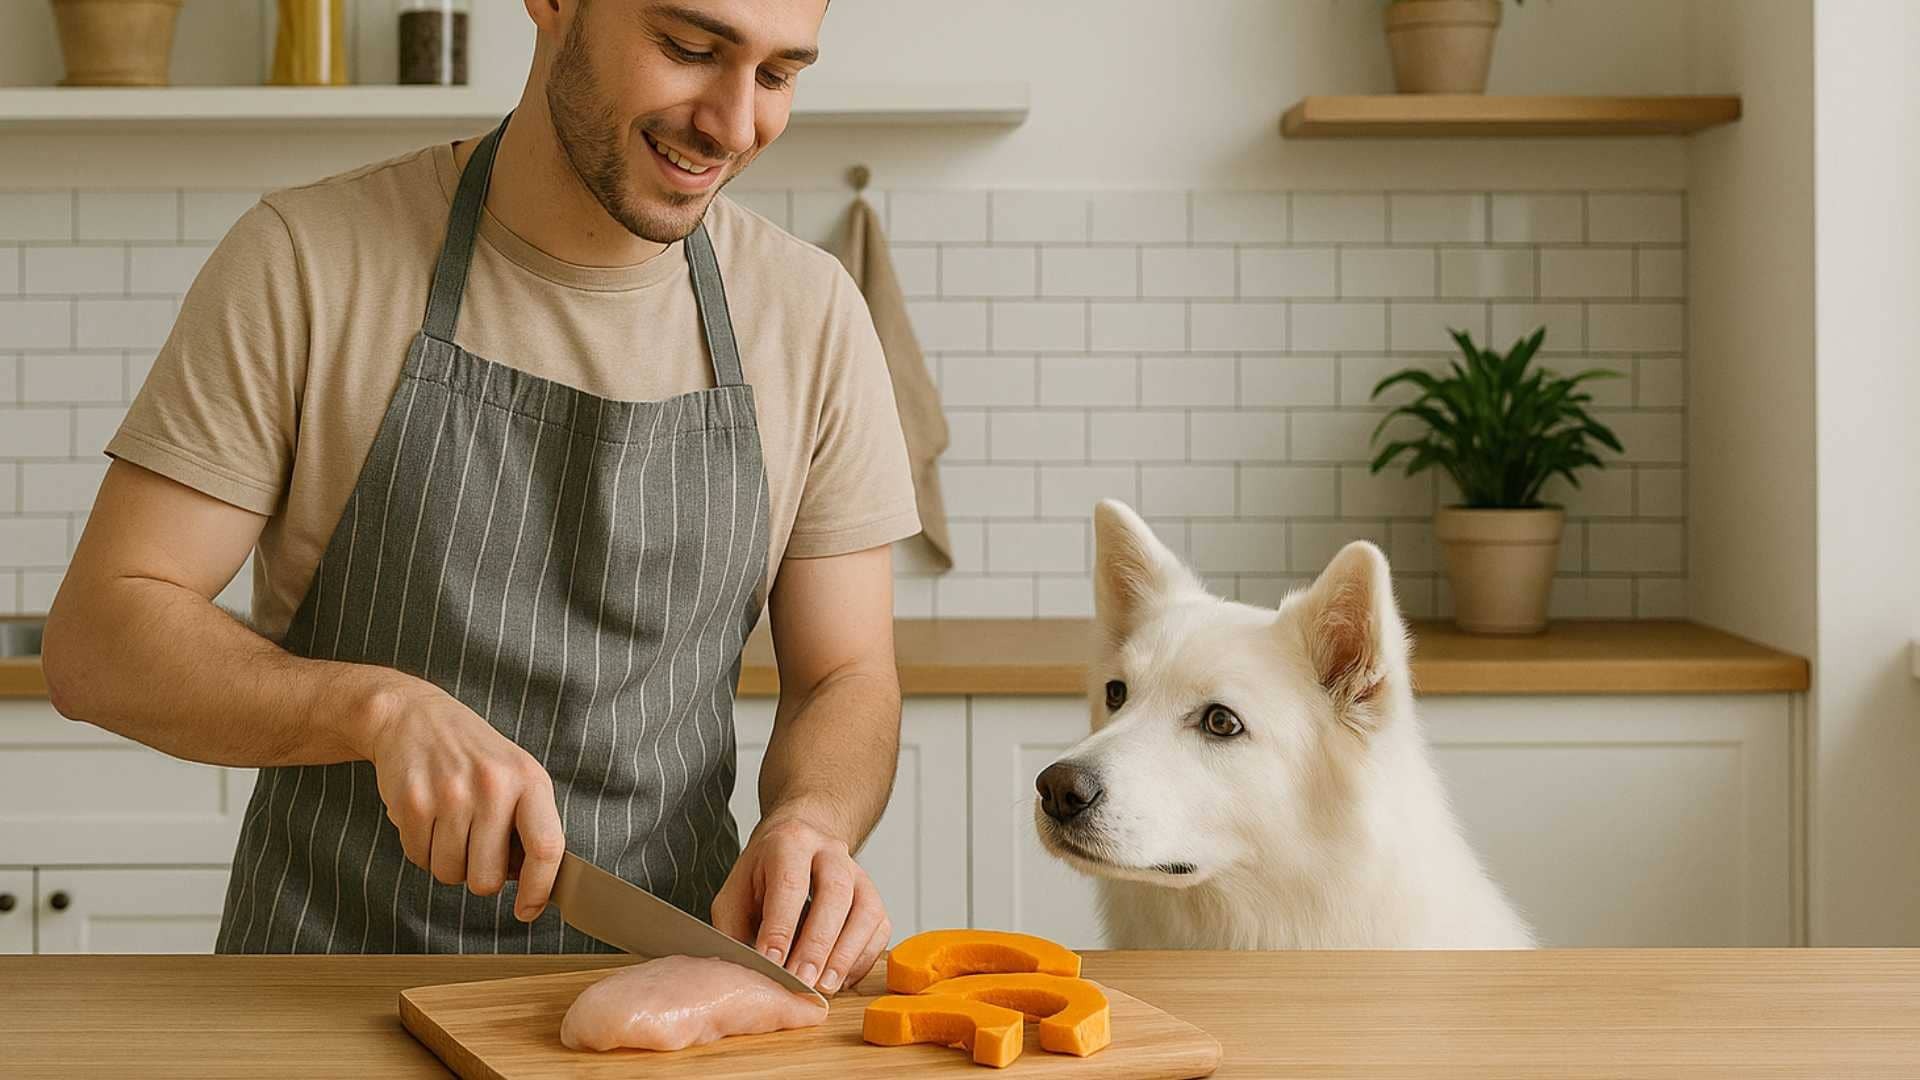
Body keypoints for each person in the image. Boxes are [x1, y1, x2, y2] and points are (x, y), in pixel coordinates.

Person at [42, 0, 917, 998]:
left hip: (670, 994)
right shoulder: (306, 260)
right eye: (688, 48)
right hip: (323, 987)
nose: (732, 123)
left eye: (777, 76)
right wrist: (374, 708)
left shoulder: (809, 314)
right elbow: (98, 639)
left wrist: (811, 820)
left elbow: (846, 674)